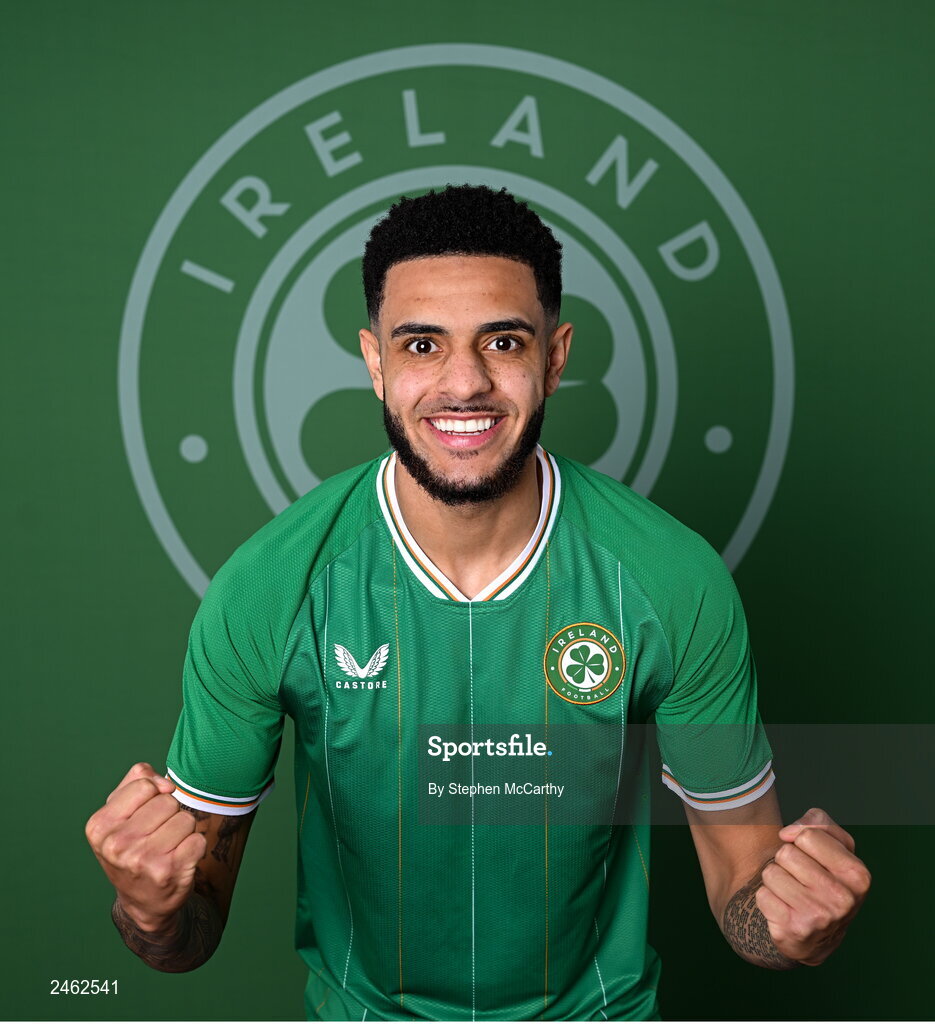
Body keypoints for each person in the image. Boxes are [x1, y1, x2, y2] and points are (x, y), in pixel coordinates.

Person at [85, 185, 870, 1021]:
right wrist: (147, 908)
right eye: (421, 344)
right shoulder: (271, 588)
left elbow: (742, 884)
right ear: (374, 361)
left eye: (502, 341)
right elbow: (186, 934)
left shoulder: (672, 579)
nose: (464, 383)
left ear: (555, 358)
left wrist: (790, 926)